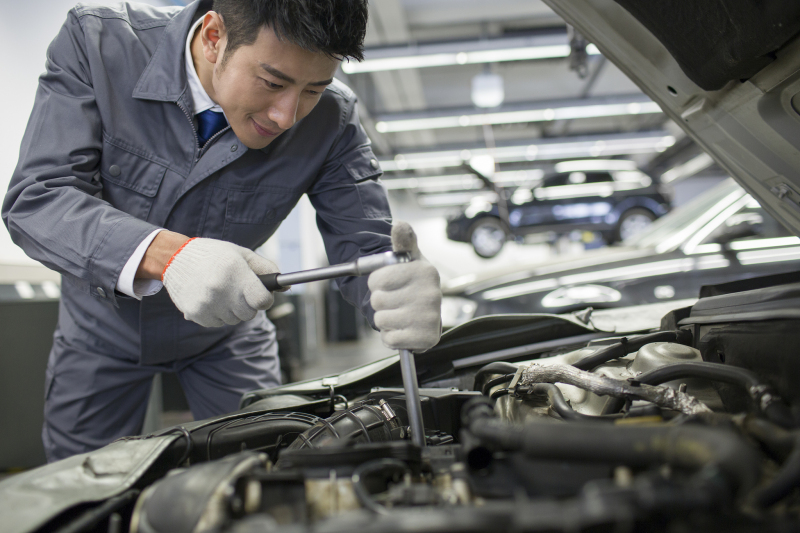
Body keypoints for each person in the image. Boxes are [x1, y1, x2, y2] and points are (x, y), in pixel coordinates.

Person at [2, 0, 442, 462]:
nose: (286, 116)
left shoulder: (334, 121)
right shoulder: (99, 45)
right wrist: (169, 256)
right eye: (272, 82)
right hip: (99, 330)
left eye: (314, 88)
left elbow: (367, 245)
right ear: (214, 37)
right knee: (82, 489)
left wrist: (396, 290)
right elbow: (38, 198)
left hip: (227, 334)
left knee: (270, 470)